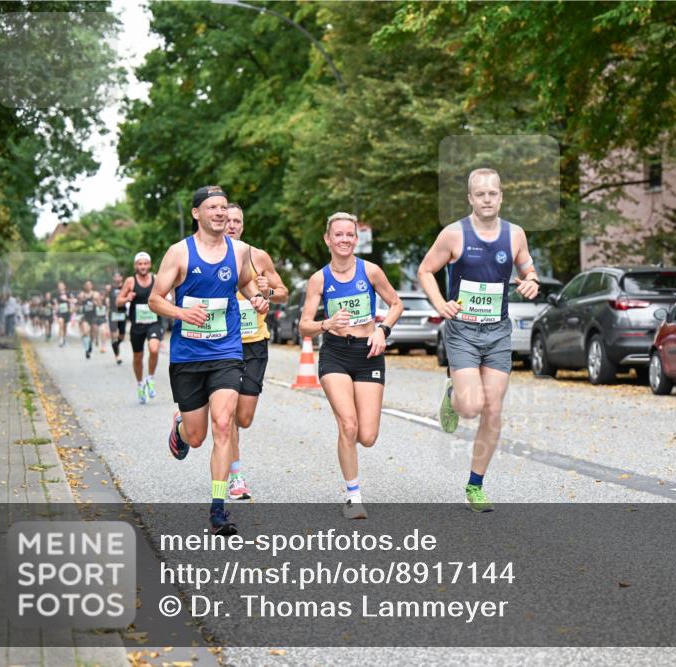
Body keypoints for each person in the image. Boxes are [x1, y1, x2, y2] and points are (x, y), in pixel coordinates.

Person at [417, 168, 540, 513]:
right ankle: (453, 393)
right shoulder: (454, 235)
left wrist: (531, 280)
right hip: (463, 331)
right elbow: (425, 270)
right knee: (470, 407)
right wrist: (440, 303)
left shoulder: (515, 235)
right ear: (470, 198)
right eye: (480, 194)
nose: (487, 199)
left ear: (501, 196)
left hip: (498, 330)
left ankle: (475, 485)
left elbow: (528, 269)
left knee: (494, 408)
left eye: (493, 193)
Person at [148, 185, 268, 536]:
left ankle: (218, 509)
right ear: (196, 213)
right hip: (188, 356)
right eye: (212, 207)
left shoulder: (240, 250)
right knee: (198, 435)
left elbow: (247, 283)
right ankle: (181, 429)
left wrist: (258, 298)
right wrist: (183, 312)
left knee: (223, 423)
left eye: (223, 207)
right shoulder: (179, 253)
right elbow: (156, 299)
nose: (219, 213)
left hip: (227, 353)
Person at [299, 212, 402, 520]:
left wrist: (383, 331)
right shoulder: (319, 279)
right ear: (327, 239)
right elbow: (304, 325)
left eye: (349, 235)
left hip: (368, 352)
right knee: (348, 425)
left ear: (356, 239)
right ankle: (353, 496)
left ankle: (350, 448)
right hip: (335, 355)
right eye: (338, 234)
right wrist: (325, 324)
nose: (344, 239)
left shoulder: (370, 271)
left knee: (367, 436)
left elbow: (396, 304)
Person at [224, 203, 289, 500]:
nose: (232, 225)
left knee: (244, 417)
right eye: (227, 220)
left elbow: (283, 293)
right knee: (226, 412)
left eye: (237, 220)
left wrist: (268, 291)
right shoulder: (211, 255)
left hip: (254, 343)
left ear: (243, 225)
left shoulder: (257, 256)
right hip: (222, 345)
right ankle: (235, 476)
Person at [118, 253, 164, 403]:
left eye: (145, 263)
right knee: (137, 357)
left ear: (149, 265)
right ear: (135, 266)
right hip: (137, 325)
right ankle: (140, 384)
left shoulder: (156, 279)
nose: (143, 266)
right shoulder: (130, 281)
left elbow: (164, 296)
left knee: (154, 349)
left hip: (154, 322)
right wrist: (127, 298)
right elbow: (118, 301)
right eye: (140, 264)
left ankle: (150, 378)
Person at [106, 272, 126, 364]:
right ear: (113, 278)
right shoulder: (109, 288)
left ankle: (116, 345)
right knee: (114, 335)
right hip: (113, 313)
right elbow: (104, 298)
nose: (117, 278)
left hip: (122, 312)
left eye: (119, 276)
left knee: (121, 336)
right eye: (116, 276)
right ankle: (117, 356)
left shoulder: (126, 287)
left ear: (122, 277)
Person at [77, 280, 98, 359]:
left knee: (92, 333)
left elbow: (100, 304)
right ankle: (86, 350)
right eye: (86, 285)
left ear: (92, 286)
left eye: (89, 284)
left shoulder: (95, 294)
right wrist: (80, 301)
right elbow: (78, 305)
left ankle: (90, 345)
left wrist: (96, 302)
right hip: (85, 316)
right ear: (84, 286)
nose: (88, 286)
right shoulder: (81, 295)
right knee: (85, 332)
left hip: (94, 316)